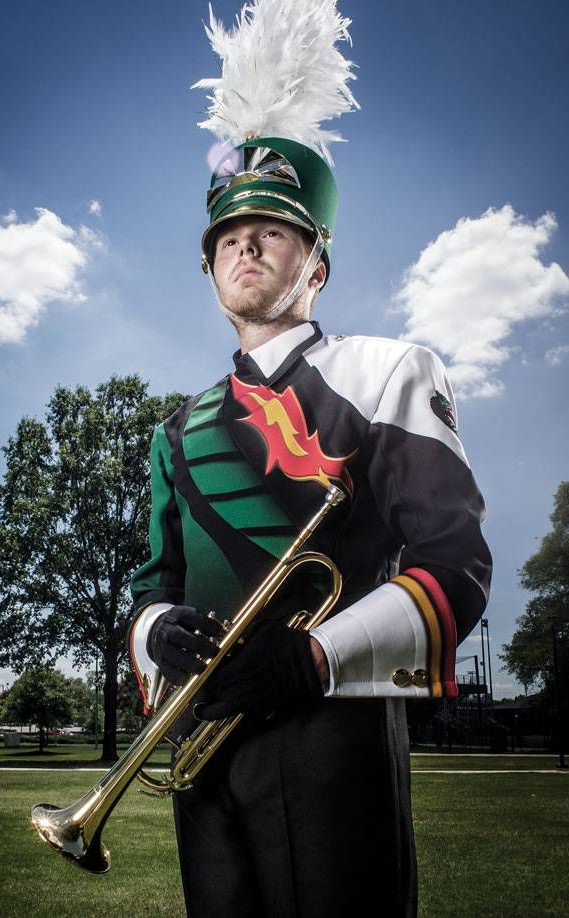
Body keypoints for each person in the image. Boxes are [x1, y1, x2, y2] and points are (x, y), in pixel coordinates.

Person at [129, 4, 492, 915]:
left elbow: (457, 569)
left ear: (316, 266)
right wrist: (154, 632)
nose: (246, 242)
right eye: (228, 235)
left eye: (274, 230)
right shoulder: (174, 433)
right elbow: (150, 583)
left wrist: (314, 659)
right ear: (210, 270)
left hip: (339, 742)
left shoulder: (391, 372)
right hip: (206, 753)